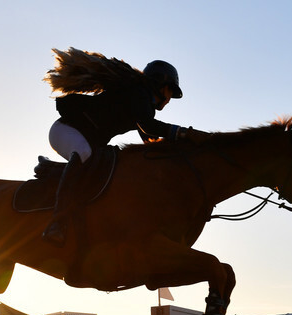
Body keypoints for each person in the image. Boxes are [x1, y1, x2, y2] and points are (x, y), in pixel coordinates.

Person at [42, 47, 208, 245]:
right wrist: (185, 132)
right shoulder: (138, 94)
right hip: (65, 131)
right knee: (85, 154)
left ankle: (56, 173)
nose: (170, 98)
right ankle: (57, 223)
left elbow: (149, 138)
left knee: (108, 164)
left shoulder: (142, 102)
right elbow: (149, 126)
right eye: (170, 90)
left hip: (87, 139)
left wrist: (179, 149)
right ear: (161, 85)